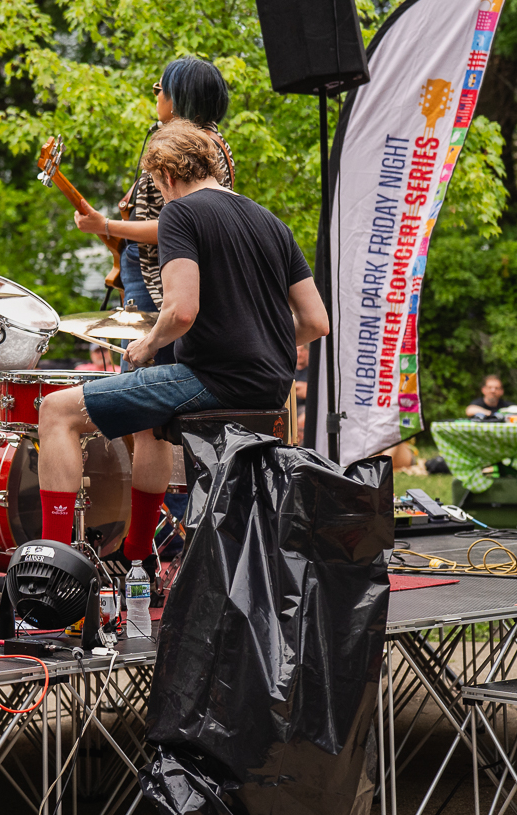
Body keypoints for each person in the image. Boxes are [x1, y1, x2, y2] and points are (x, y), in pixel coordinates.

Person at [36, 122, 328, 562]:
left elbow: (181, 312)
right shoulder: (272, 223)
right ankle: (138, 557)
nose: (162, 194)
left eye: (157, 185)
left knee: (56, 411)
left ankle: (50, 565)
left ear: (167, 176)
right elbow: (316, 321)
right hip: (270, 390)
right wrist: (260, 338)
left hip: (214, 381)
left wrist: (148, 345)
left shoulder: (180, 213)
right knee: (148, 425)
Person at [72, 57, 236, 314]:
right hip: (154, 272)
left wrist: (104, 225)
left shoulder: (189, 150)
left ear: (179, 97)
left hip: (159, 280)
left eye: (159, 88)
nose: (156, 96)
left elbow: (178, 226)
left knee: (147, 343)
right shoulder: (211, 143)